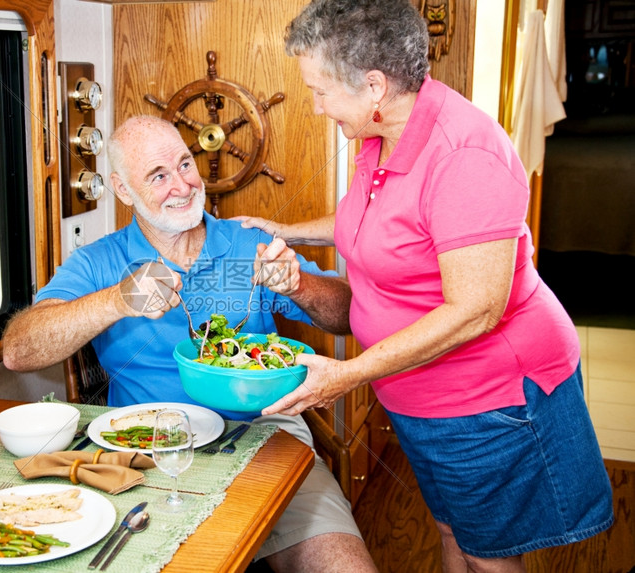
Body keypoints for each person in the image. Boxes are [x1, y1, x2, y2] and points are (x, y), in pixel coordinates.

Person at [235, 1, 614, 572]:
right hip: (421, 396)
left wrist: (348, 375)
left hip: (489, 399)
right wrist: (286, 229)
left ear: (373, 86)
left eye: (319, 90)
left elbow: (475, 312)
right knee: (450, 530)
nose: (313, 106)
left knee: (488, 554)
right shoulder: (381, 134)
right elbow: (380, 222)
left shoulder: (464, 156)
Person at [2, 115, 379, 572]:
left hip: (269, 438)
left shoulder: (249, 243)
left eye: (184, 164)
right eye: (158, 177)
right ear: (124, 191)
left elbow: (348, 315)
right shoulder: (99, 261)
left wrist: (299, 286)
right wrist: (117, 300)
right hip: (148, 453)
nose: (181, 185)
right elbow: (19, 351)